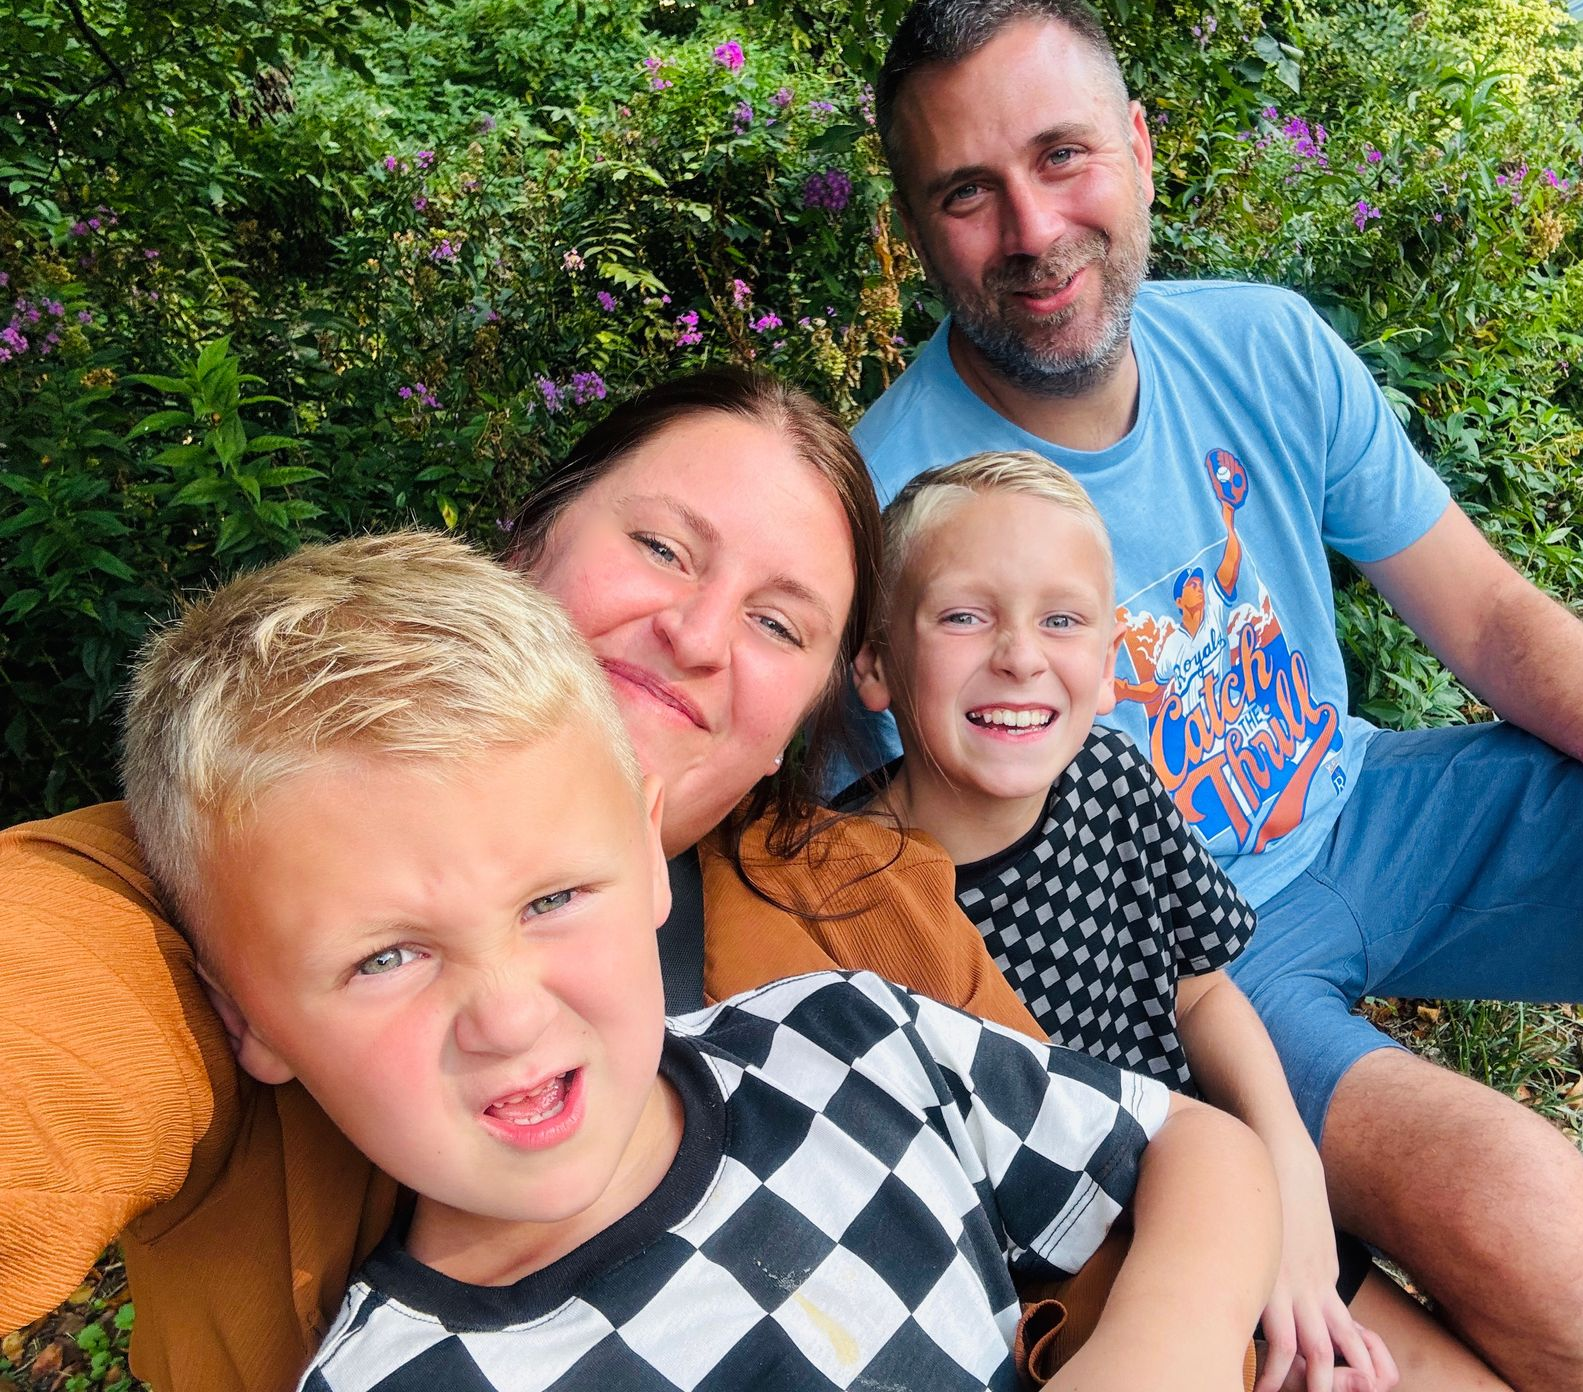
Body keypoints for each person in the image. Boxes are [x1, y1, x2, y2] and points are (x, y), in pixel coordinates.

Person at [2, 370, 1096, 1389]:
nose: (697, 633)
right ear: (523, 550)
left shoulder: (873, 921)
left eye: (779, 623)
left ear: (798, 725)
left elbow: (1099, 1218)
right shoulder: (253, 845)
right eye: (662, 548)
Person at [849, 4, 1583, 1389]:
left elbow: (1488, 618)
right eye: (966, 193)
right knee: (1526, 1215)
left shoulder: (1260, 346)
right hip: (1196, 956)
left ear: (1136, 149)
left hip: (1369, 808)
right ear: (912, 228)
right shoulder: (883, 509)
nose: (1029, 230)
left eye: (1061, 156)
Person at [118, 529, 1279, 1392]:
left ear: (643, 847)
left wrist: (1155, 1351)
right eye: (385, 958)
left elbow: (1194, 1144)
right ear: (249, 1019)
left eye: (555, 897)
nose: (509, 1016)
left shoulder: (849, 1042)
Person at [847, 450, 1509, 1392]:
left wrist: (1290, 1172)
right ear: (874, 665)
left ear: (1110, 667)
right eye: (962, 615)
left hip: (1219, 1202)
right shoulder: (848, 890)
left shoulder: (1111, 780)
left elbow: (1200, 994)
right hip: (1060, 1303)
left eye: (1062, 620)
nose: (1020, 654)